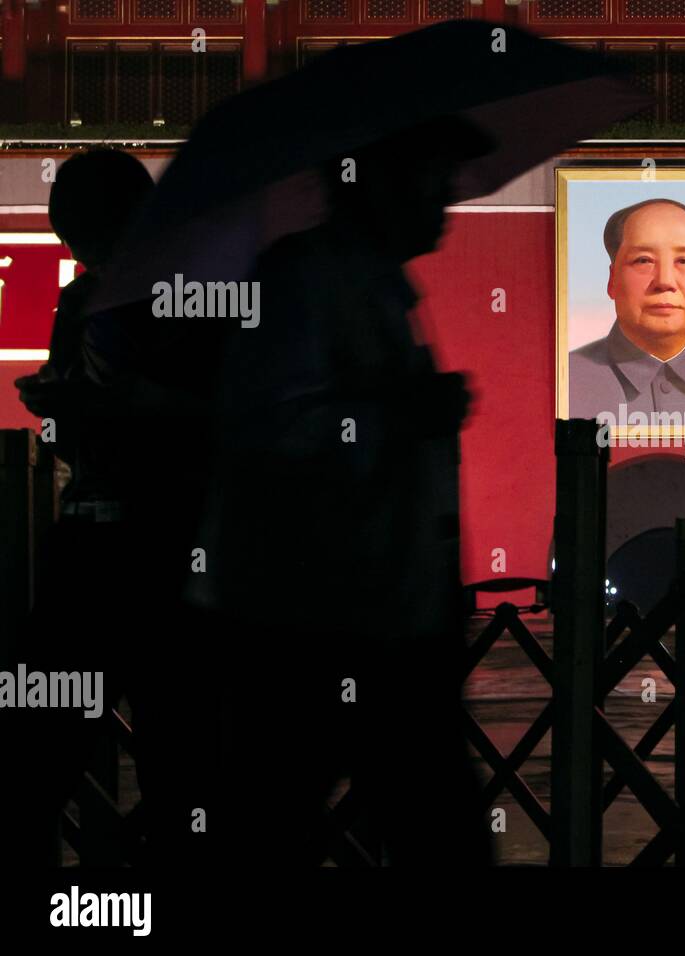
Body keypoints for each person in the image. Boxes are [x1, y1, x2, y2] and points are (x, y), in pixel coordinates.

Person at [180, 119, 489, 865]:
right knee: (280, 821)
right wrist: (401, 416)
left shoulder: (379, 281)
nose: (448, 196)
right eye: (432, 175)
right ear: (377, 181)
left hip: (378, 617)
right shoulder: (303, 280)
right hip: (314, 620)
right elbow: (271, 430)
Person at [2, 149, 154, 866]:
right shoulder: (81, 301)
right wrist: (62, 408)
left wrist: (110, 406)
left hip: (151, 547)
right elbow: (66, 426)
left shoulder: (181, 301)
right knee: (37, 749)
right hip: (105, 548)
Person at [568, 198, 685, 424]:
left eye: (684, 261)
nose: (665, 281)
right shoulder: (566, 379)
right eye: (643, 260)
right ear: (612, 280)